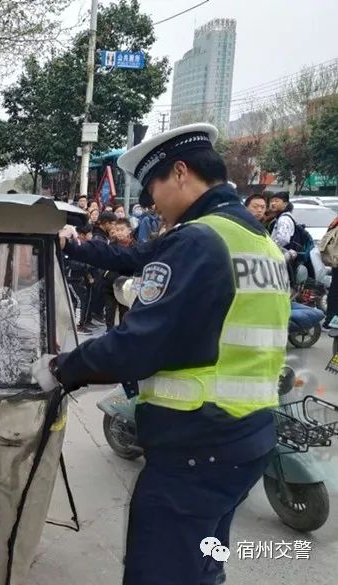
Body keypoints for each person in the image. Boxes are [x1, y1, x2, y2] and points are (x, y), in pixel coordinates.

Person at [44, 123, 288, 585]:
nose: (151, 204)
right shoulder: (253, 240)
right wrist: (74, 245)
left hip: (197, 447)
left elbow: (137, 345)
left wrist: (62, 368)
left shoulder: (197, 240)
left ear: (180, 172)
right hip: (248, 435)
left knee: (158, 572)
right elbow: (140, 257)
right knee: (201, 565)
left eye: (153, 187)